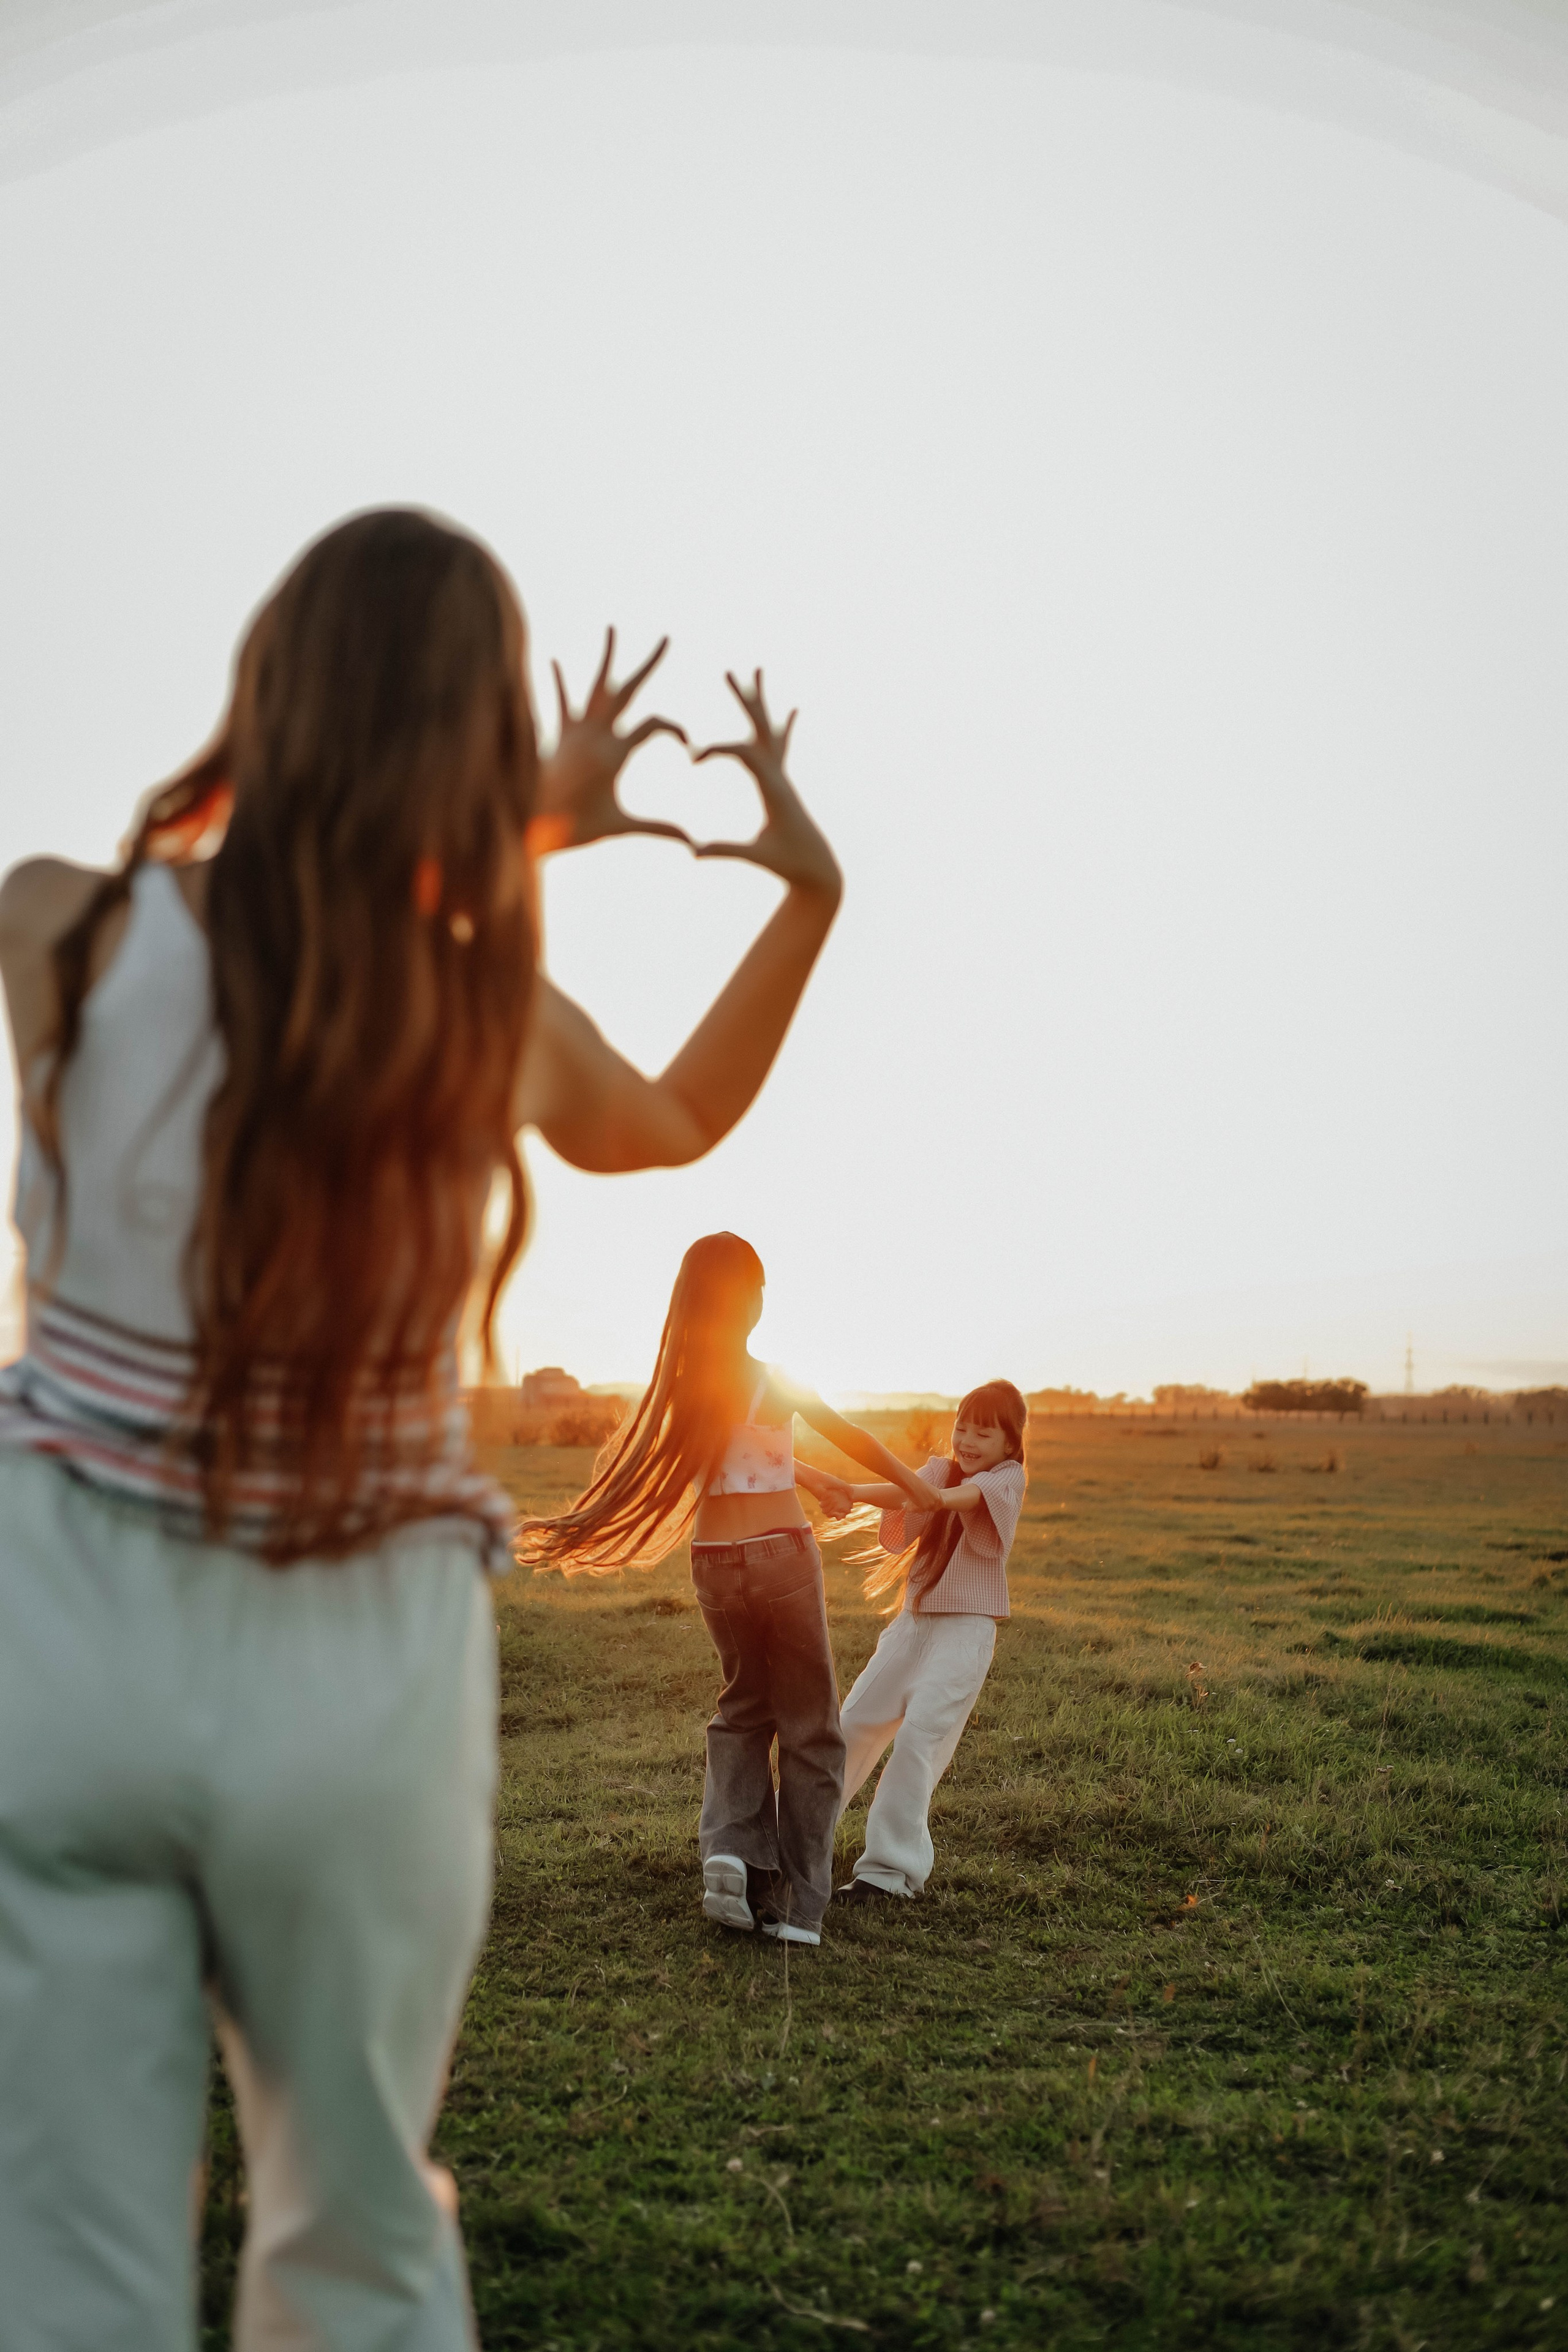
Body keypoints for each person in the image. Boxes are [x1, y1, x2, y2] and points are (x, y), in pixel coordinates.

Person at [0, 507, 845, 2352]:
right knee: (359, 2238)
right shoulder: (483, 1006)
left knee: (61, 2260)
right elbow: (682, 1112)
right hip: (352, 1676)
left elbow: (257, 957)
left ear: (265, 693)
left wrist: (507, 815)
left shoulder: (52, 923)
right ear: (466, 742)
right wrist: (804, 890)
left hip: (58, 1653)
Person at [521, 1232, 933, 1945]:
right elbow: (853, 1435)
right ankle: (799, 1908)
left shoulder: (685, 1388)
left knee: (742, 1711)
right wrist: (917, 1487)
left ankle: (732, 1853)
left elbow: (746, 1450)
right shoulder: (770, 1377)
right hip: (781, 1555)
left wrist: (811, 1477)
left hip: (713, 1560)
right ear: (750, 1302)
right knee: (811, 1727)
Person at [831, 1381, 1028, 1904]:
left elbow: (952, 1499)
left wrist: (929, 1495)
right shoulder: (941, 1467)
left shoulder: (1008, 1478)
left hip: (964, 1632)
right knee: (853, 1723)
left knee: (920, 1741)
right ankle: (797, 1834)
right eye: (962, 1426)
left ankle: (887, 1875)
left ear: (1010, 1443)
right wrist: (850, 1491)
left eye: (983, 1432)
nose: (966, 1439)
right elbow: (904, 1491)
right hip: (911, 1626)